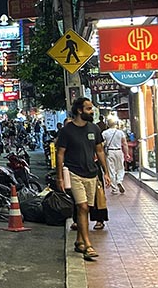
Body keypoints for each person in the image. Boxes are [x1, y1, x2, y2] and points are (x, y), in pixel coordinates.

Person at [55, 98, 111, 261]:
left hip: (92, 174)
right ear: (79, 110)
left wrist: (105, 172)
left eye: (91, 109)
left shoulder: (94, 128)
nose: (91, 112)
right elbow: (60, 154)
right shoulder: (67, 131)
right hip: (74, 172)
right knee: (83, 207)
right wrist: (59, 176)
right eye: (88, 109)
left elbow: (99, 151)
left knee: (85, 209)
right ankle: (88, 245)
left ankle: (79, 240)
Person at [102, 116, 129, 196]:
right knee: (120, 168)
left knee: (111, 170)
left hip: (110, 152)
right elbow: (124, 144)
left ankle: (114, 189)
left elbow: (101, 144)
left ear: (107, 124)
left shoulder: (104, 133)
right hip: (119, 151)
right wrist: (126, 154)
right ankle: (119, 181)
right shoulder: (120, 132)